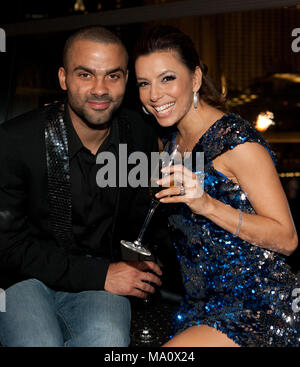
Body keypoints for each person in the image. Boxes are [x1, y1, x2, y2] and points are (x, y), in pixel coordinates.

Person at [134, 25, 300, 347]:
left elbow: (287, 239)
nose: (154, 94)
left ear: (195, 79)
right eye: (144, 83)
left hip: (257, 306)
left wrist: (207, 204)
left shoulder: (236, 143)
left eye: (167, 78)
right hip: (198, 307)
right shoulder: (170, 143)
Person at [0, 26, 163, 347]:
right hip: (22, 277)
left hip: (100, 277)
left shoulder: (141, 137)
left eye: (112, 76)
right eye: (85, 75)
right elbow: (8, 247)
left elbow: (144, 217)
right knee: (37, 342)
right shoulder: (15, 142)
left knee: (108, 339)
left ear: (126, 79)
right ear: (63, 78)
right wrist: (102, 275)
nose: (100, 89)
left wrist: (150, 257)